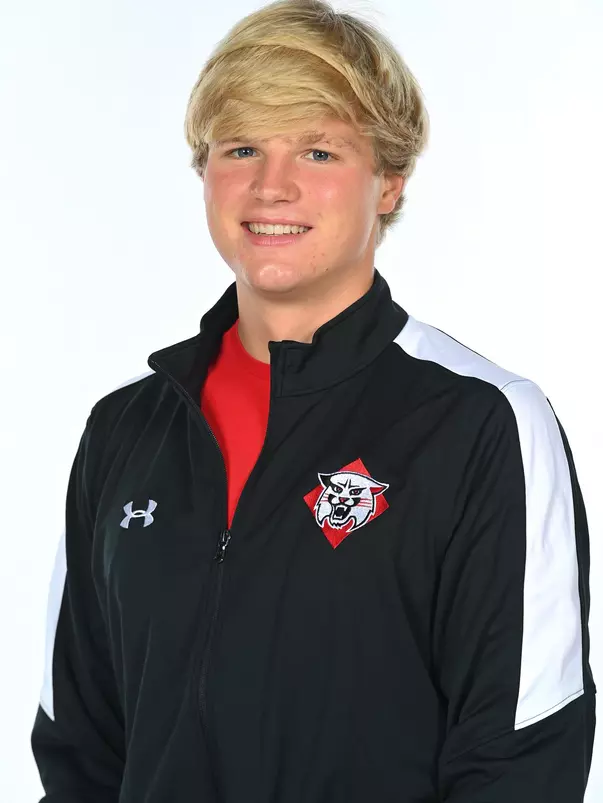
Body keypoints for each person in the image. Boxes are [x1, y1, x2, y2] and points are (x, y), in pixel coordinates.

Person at [30, 0, 596, 800]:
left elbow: (520, 755)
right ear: (204, 172)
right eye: (242, 148)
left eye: (319, 151)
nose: (272, 186)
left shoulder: (480, 422)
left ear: (389, 181)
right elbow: (78, 747)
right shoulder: (125, 428)